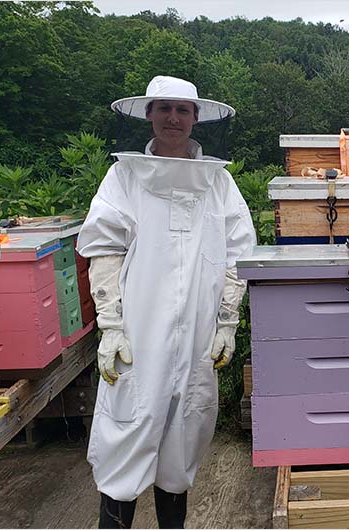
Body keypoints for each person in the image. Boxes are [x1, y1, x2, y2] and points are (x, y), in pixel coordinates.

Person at [77, 75, 256, 529]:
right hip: (139, 334)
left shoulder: (218, 182)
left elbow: (238, 254)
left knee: (182, 441)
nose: (173, 118)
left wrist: (226, 321)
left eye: (182, 110)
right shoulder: (124, 177)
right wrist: (111, 325)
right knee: (125, 437)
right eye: (164, 108)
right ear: (148, 114)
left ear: (196, 118)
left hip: (198, 335)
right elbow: (103, 250)